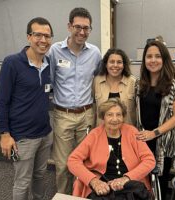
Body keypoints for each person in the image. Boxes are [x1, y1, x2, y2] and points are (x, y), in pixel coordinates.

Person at [0, 17, 54, 200]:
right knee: (22, 182)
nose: (43, 40)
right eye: (38, 35)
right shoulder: (12, 63)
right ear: (29, 37)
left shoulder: (49, 64)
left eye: (47, 36)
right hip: (22, 137)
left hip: (45, 133)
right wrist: (5, 134)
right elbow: (2, 101)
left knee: (41, 176)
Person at [48, 7, 102, 194]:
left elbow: (99, 79)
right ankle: (62, 195)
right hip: (63, 115)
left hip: (87, 115)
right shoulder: (55, 51)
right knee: (62, 165)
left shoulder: (95, 53)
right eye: (78, 27)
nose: (82, 32)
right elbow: (49, 81)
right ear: (69, 26)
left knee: (86, 162)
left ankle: (82, 195)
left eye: (86, 28)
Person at [67, 98, 156, 198]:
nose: (114, 119)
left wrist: (126, 178)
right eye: (110, 115)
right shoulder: (94, 135)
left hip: (130, 184)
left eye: (118, 115)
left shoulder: (132, 132)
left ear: (123, 117)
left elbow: (150, 160)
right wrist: (94, 181)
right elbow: (73, 160)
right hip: (103, 185)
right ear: (103, 117)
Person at [136, 40, 175, 199]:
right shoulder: (140, 83)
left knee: (159, 183)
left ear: (164, 59)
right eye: (149, 56)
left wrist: (154, 133)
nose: (153, 60)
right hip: (143, 139)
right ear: (144, 60)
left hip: (163, 141)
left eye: (157, 56)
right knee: (143, 180)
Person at [93, 48, 137, 126]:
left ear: (124, 65)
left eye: (119, 62)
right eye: (112, 62)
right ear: (106, 64)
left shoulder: (133, 82)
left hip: (127, 133)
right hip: (102, 132)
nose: (115, 65)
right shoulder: (96, 81)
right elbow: (93, 108)